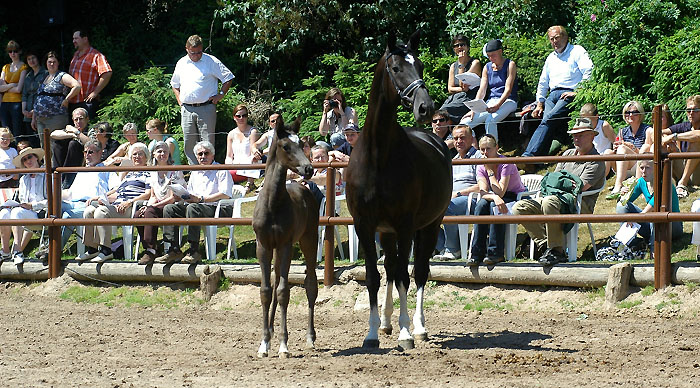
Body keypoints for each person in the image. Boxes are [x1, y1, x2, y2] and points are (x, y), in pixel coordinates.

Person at [512, 117, 605, 266]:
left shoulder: (596, 160)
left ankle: (556, 250)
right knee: (519, 207)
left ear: (592, 135)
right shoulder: (567, 154)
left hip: (579, 204)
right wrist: (564, 181)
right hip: (554, 198)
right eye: (574, 134)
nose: (576, 138)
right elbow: (550, 181)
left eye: (580, 134)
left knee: (549, 202)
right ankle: (546, 246)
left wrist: (560, 182)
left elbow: (579, 188)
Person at [155, 141, 235, 265]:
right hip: (196, 206)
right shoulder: (195, 172)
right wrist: (182, 196)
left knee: (193, 208)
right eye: (200, 154)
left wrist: (201, 199)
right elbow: (190, 193)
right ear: (196, 157)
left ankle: (194, 250)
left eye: (206, 153)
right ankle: (173, 249)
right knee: (169, 208)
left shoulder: (221, 170)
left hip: (217, 207)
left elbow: (225, 194)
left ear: (212, 155)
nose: (203, 156)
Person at [522, 26, 594, 158]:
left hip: (569, 94)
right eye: (551, 39)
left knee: (548, 119)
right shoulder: (551, 58)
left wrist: (579, 91)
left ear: (565, 37)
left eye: (557, 38)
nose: (554, 41)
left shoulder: (577, 51)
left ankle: (529, 156)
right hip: (553, 95)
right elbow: (543, 81)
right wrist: (540, 103)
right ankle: (537, 160)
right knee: (546, 121)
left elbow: (589, 70)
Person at [75, 143, 151, 263]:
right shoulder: (130, 173)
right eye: (134, 154)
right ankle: (92, 248)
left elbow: (148, 193)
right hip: (117, 204)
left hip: (130, 207)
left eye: (140, 154)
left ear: (146, 157)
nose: (137, 157)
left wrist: (129, 202)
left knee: (101, 211)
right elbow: (116, 190)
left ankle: (106, 250)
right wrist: (98, 197)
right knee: (89, 210)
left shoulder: (149, 172)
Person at [171, 35, 233, 165]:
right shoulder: (181, 63)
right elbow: (175, 84)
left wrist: (221, 94)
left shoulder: (211, 61)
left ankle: (209, 169)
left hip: (206, 107)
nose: (197, 55)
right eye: (193, 52)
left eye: (199, 52)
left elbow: (228, 77)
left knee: (208, 142)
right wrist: (180, 101)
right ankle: (195, 171)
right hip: (187, 108)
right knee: (189, 142)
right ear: (187, 49)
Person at [468, 134, 526, 266]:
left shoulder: (506, 163)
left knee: (494, 206)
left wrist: (490, 172)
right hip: (494, 195)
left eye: (488, 149)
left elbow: (501, 191)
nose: (485, 153)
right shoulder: (481, 165)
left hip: (514, 196)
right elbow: (483, 192)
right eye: (482, 149)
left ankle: (495, 253)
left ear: (496, 148)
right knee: (481, 205)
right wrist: (494, 196)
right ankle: (476, 253)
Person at [434, 125, 483, 260]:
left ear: (472, 139)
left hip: (472, 199)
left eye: (462, 138)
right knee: (424, 208)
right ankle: (442, 247)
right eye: (455, 138)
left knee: (446, 206)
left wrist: (459, 193)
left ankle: (453, 249)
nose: (458, 141)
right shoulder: (453, 160)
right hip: (452, 199)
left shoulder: (479, 157)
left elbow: (482, 186)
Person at [135, 141, 186, 265]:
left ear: (169, 154)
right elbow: (152, 195)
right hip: (158, 206)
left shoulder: (175, 171)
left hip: (174, 206)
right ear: (153, 154)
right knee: (138, 215)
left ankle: (150, 251)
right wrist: (147, 206)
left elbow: (173, 198)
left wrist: (152, 207)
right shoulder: (153, 172)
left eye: (165, 151)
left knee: (150, 211)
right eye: (159, 151)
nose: (162, 154)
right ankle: (152, 248)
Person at [61, 139, 118, 245]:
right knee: (53, 208)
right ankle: (47, 244)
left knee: (67, 216)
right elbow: (69, 193)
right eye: (85, 152)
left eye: (90, 152)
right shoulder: (82, 171)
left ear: (100, 153)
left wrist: (99, 197)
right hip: (72, 203)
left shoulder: (106, 170)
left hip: (89, 206)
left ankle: (53, 250)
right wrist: (54, 195)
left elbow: (116, 188)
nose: (87, 155)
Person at [617, 158, 681, 252]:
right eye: (641, 168)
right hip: (651, 224)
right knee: (621, 206)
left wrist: (633, 218)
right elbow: (625, 202)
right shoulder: (641, 182)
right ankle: (630, 242)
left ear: (657, 168)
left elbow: (649, 210)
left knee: (655, 216)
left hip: (672, 227)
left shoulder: (665, 185)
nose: (643, 171)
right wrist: (623, 194)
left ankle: (654, 250)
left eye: (647, 168)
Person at [459, 39, 517, 142]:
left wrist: (497, 106)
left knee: (491, 120)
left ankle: (493, 150)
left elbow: (508, 89)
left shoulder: (510, 64)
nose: (491, 58)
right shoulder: (487, 67)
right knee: (465, 123)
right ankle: (473, 147)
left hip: (508, 100)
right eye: (489, 55)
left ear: (500, 51)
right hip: (491, 102)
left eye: (493, 55)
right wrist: (474, 108)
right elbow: (482, 89)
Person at [0, 147, 47, 264]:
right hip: (24, 212)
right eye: (24, 160)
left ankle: (17, 251)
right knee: (4, 213)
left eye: (30, 157)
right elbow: (21, 200)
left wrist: (32, 205)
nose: (28, 161)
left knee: (17, 212)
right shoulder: (23, 179)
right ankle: (5, 251)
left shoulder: (47, 175)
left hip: (42, 213)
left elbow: (53, 200)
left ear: (36, 157)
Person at [31, 51, 81, 149]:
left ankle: (55, 164)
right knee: (44, 146)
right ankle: (46, 164)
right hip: (40, 119)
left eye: (54, 62)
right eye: (49, 62)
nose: (52, 64)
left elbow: (77, 86)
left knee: (55, 146)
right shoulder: (44, 77)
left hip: (56, 117)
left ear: (58, 63)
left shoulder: (62, 76)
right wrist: (34, 117)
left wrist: (67, 99)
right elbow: (38, 97)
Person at [604, 101, 649, 199]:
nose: (630, 115)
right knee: (608, 152)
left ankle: (618, 186)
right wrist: (616, 148)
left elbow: (645, 152)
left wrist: (631, 147)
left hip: (637, 166)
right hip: (622, 164)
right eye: (627, 113)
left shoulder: (646, 130)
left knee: (623, 148)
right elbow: (616, 150)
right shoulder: (623, 131)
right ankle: (599, 184)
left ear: (640, 114)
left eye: (634, 112)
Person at [661, 95, 700, 198]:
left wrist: (674, 137)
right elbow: (656, 133)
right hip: (683, 168)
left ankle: (682, 184)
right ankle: (658, 185)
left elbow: (698, 135)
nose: (691, 113)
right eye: (688, 110)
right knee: (666, 145)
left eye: (695, 110)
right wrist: (665, 137)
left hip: (697, 174)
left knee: (696, 143)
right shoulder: (684, 126)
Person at [68, 28, 112, 118]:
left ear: (85, 39)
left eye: (76, 38)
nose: (74, 41)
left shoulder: (96, 56)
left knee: (87, 131)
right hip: (73, 102)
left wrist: (95, 92)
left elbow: (107, 73)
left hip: (87, 102)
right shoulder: (75, 55)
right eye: (73, 39)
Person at [438, 34, 482, 124]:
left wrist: (461, 65)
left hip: (470, 98)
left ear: (468, 47)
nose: (459, 47)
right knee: (439, 114)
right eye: (456, 45)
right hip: (456, 98)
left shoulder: (475, 63)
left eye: (462, 44)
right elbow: (450, 88)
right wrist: (461, 89)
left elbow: (463, 82)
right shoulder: (453, 66)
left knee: (445, 111)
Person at [50, 107, 91, 188]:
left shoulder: (91, 130)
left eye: (81, 119)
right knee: (57, 144)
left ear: (87, 119)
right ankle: (58, 175)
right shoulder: (71, 130)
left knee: (73, 144)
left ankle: (67, 180)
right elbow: (53, 134)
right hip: (65, 161)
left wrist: (77, 133)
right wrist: (72, 134)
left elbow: (90, 143)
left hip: (83, 158)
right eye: (76, 119)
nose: (78, 122)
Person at [225, 104, 261, 190]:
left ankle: (250, 183)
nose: (241, 118)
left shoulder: (253, 132)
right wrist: (228, 167)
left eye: (244, 116)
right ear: (234, 117)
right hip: (235, 168)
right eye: (238, 116)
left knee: (254, 158)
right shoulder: (231, 134)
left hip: (249, 167)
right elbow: (229, 156)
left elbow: (253, 151)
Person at [0, 40, 28, 139]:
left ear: (19, 51)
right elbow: (0, 88)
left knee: (17, 131)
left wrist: (6, 87)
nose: (12, 53)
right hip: (4, 103)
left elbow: (18, 89)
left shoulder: (23, 67)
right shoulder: (5, 67)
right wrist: (12, 84)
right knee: (5, 131)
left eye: (15, 51)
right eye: (10, 51)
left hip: (17, 103)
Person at [21, 50, 47, 148]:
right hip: (27, 112)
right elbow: (24, 94)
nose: (31, 61)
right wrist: (24, 110)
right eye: (29, 59)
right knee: (32, 140)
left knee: (41, 139)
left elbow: (44, 94)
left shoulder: (45, 73)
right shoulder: (28, 76)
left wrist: (34, 111)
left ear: (38, 59)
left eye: (33, 58)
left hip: (40, 111)